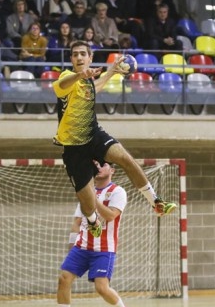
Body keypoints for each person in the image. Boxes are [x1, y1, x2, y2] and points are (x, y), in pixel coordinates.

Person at [52, 41, 176, 240]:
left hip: (93, 134)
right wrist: (80, 75)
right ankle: (93, 221)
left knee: (125, 157)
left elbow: (95, 88)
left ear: (90, 58)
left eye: (83, 54)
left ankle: (156, 202)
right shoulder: (67, 77)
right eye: (75, 55)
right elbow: (59, 87)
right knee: (88, 203)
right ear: (71, 60)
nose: (79, 57)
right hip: (73, 146)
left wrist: (111, 72)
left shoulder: (88, 83)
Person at [44, 162, 137, 307]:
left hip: (104, 249)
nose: (100, 167)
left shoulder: (118, 192)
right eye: (97, 165)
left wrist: (92, 198)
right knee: (64, 278)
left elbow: (110, 215)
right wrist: (72, 247)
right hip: (82, 246)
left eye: (104, 165)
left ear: (112, 171)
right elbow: (77, 222)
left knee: (102, 288)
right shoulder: (87, 190)